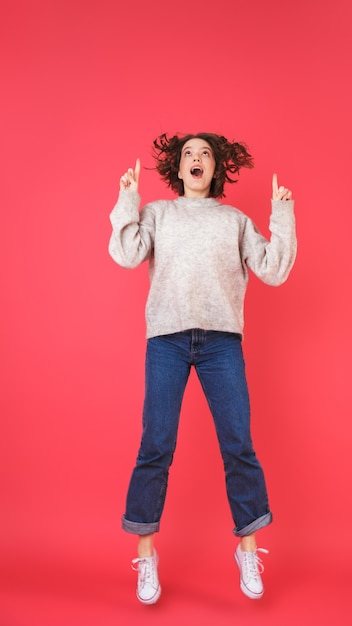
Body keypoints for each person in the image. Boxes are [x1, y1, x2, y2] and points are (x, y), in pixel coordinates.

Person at [108, 132, 297, 604]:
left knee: (238, 444)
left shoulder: (234, 220)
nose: (196, 158)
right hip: (167, 340)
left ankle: (248, 550)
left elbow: (273, 269)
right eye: (188, 153)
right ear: (178, 166)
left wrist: (283, 214)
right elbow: (126, 253)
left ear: (217, 168)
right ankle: (146, 557)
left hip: (221, 342)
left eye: (205, 154)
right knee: (156, 445)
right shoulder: (158, 213)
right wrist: (127, 199)